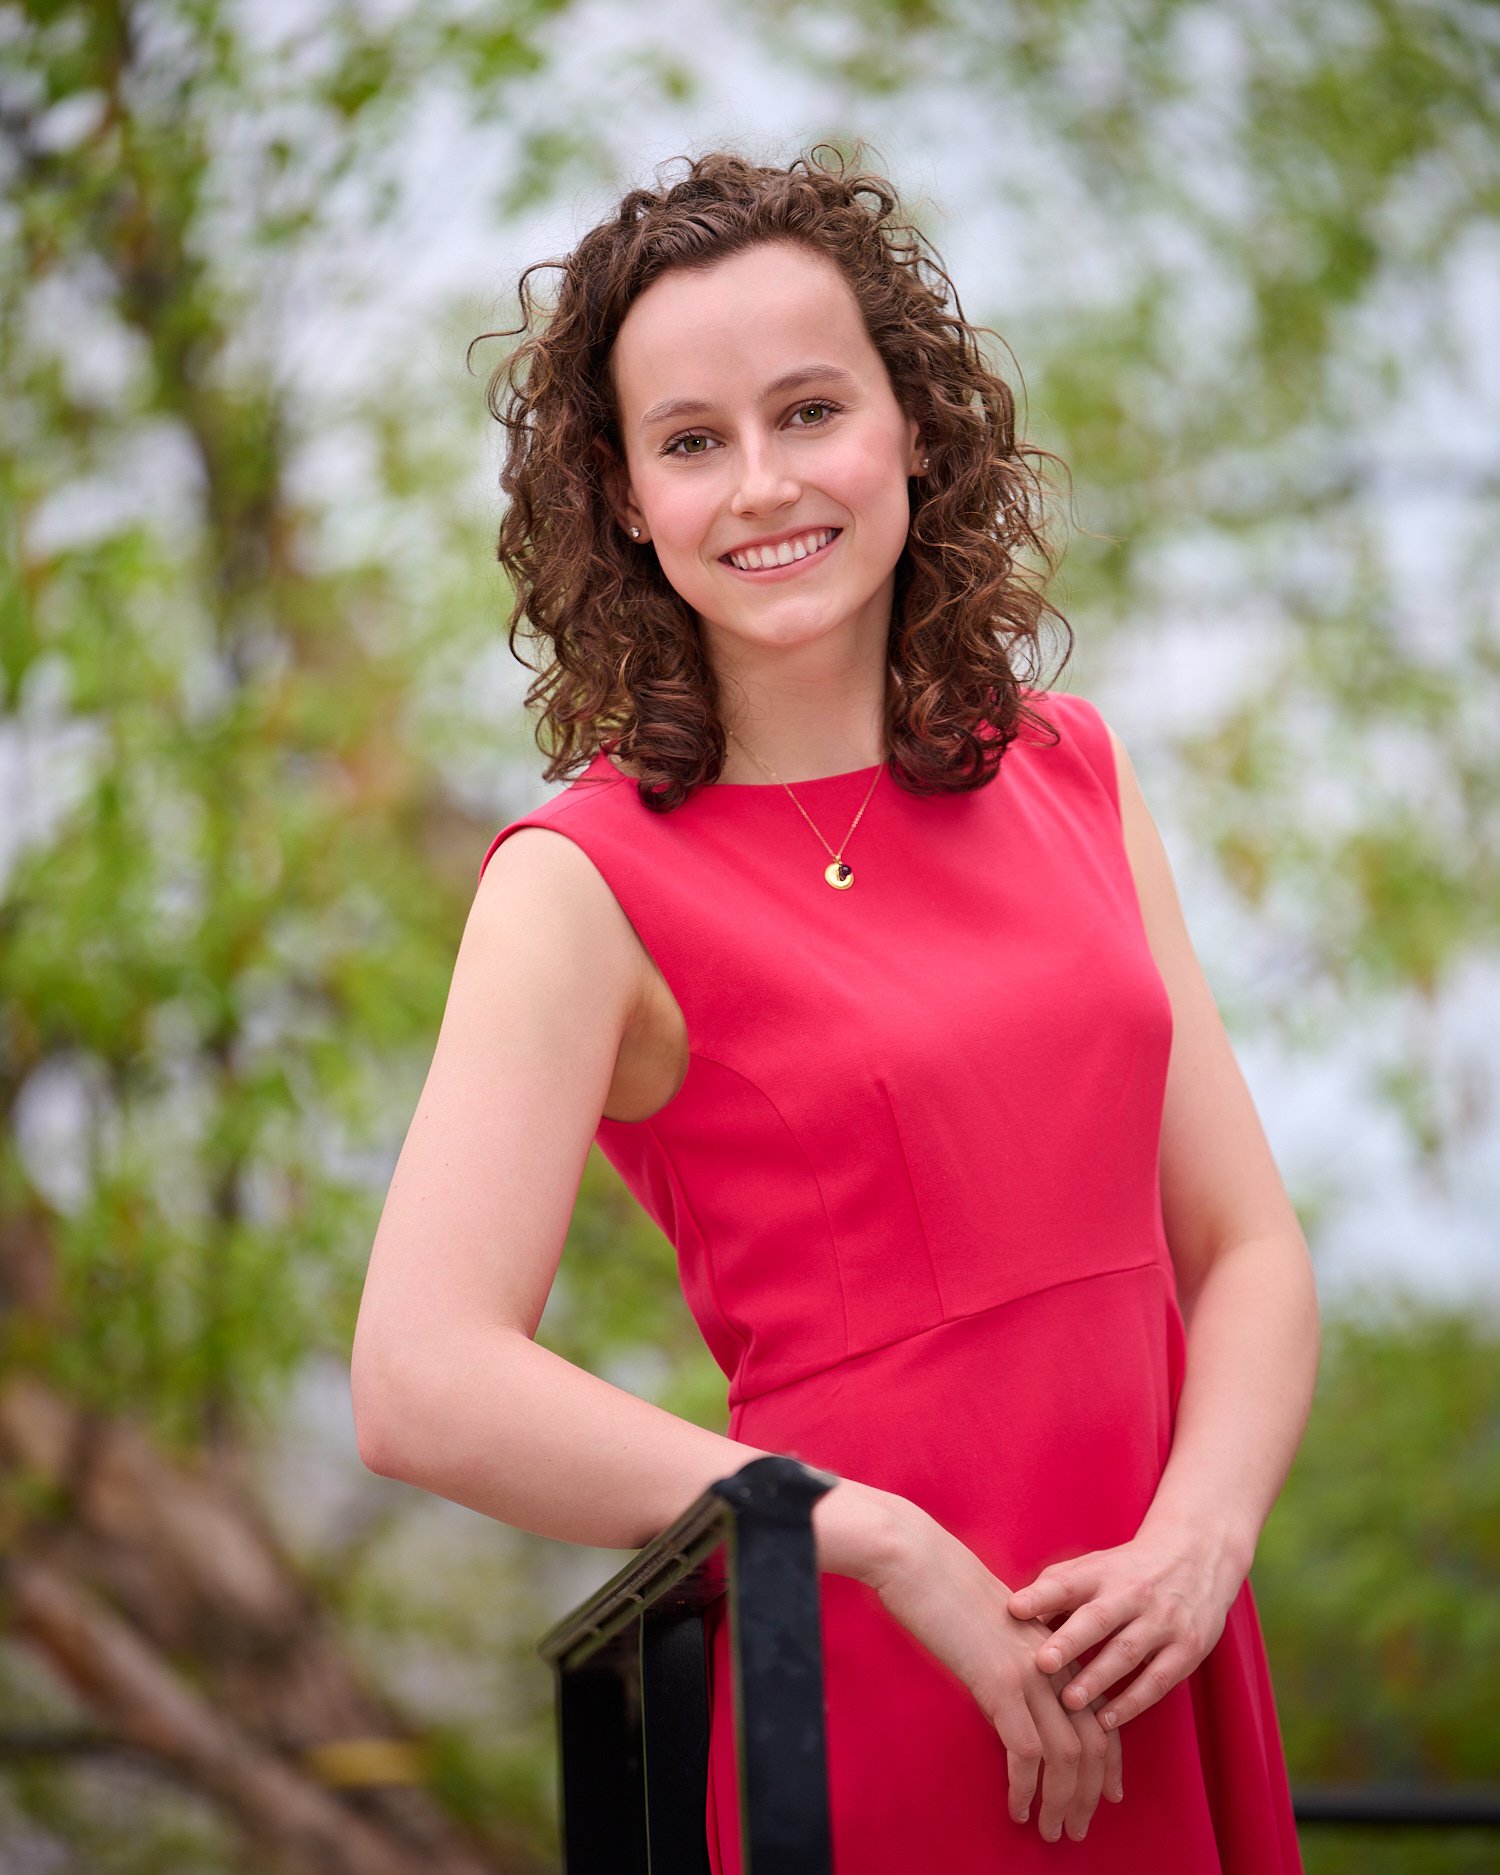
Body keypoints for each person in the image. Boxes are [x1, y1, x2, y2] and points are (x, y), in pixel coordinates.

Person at [351, 145, 1320, 1872]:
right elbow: (421, 1376)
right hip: (869, 1667)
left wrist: (1201, 1539)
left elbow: (1242, 1247)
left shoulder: (1075, 775)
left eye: (811, 411)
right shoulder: (576, 885)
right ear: (624, 494)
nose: (762, 485)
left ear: (916, 428)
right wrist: (866, 1542)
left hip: (1154, 1640)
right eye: (693, 440)